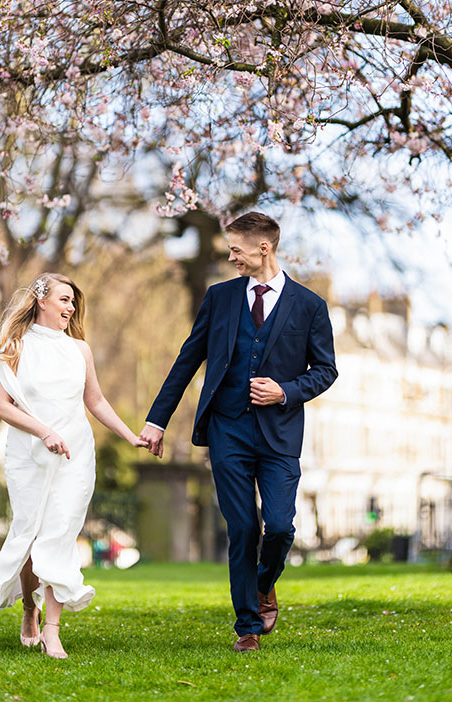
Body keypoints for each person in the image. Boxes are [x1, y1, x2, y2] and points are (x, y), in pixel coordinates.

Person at [140, 212, 337, 652]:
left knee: (281, 527)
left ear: (263, 248)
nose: (231, 258)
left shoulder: (309, 306)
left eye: (236, 250)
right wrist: (157, 420)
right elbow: (187, 360)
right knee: (243, 527)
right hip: (227, 429)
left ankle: (264, 585)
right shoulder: (220, 298)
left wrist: (284, 391)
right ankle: (247, 626)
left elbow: (326, 370)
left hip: (280, 436)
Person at [0, 272, 147, 658]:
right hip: (28, 455)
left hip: (75, 455)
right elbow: (1, 407)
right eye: (64, 299)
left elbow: (95, 401)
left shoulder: (80, 350)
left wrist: (130, 436)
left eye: (73, 301)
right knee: (31, 535)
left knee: (59, 534)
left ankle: (52, 629)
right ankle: (30, 607)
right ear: (42, 301)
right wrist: (44, 431)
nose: (71, 307)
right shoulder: (14, 346)